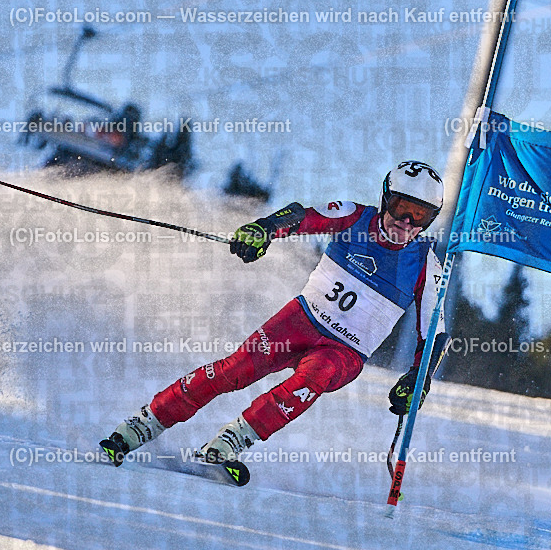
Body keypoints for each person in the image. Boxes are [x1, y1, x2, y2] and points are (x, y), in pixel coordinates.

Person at [100, 161, 452, 468]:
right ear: (385, 198)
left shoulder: (426, 263)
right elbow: (303, 217)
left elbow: (435, 333)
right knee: (234, 370)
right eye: (401, 208)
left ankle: (229, 444)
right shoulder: (355, 216)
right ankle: (141, 425)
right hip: (301, 321)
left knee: (314, 377)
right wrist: (264, 229)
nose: (406, 222)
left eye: (419, 216)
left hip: (345, 351)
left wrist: (418, 380)